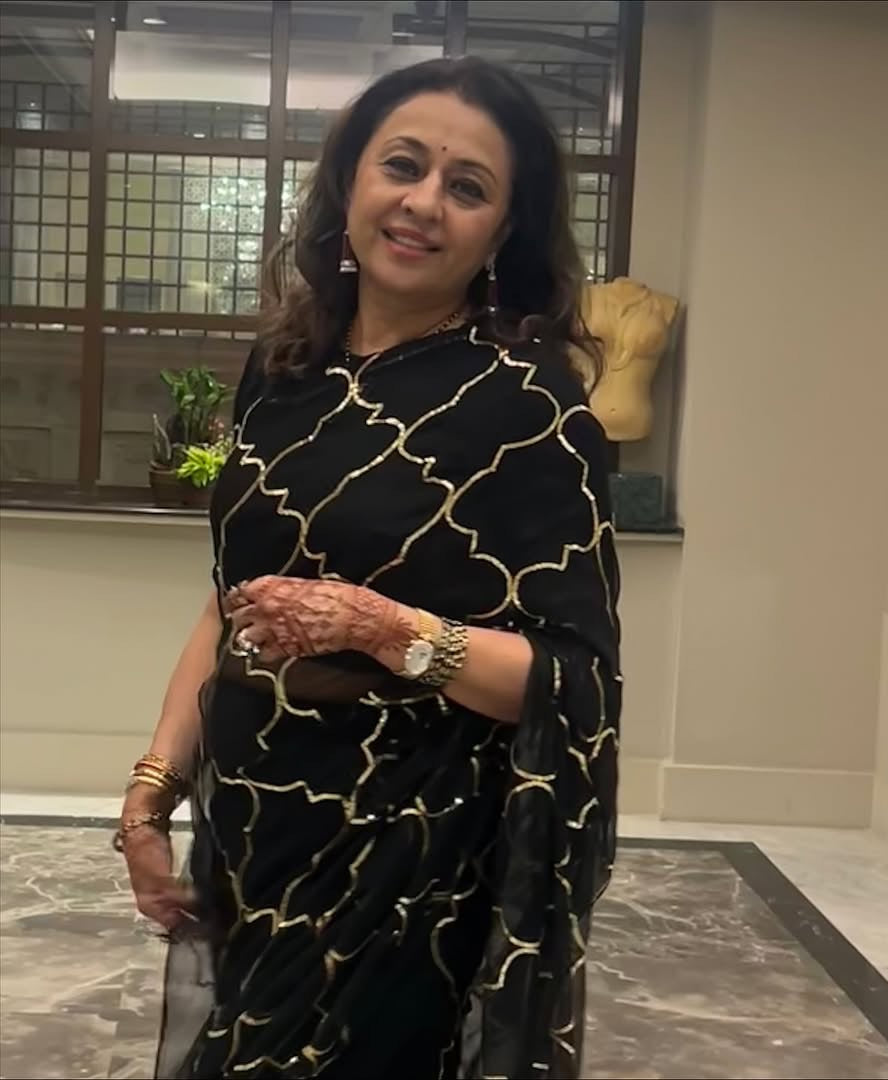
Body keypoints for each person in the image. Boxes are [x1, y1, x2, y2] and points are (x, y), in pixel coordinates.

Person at [117, 56, 621, 1080]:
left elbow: (572, 679)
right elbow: (230, 602)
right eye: (403, 165)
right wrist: (152, 791)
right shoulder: (284, 367)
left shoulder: (530, 408)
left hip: (408, 861)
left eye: (467, 186)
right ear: (350, 179)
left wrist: (381, 628)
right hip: (255, 828)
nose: (424, 202)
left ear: (502, 231)